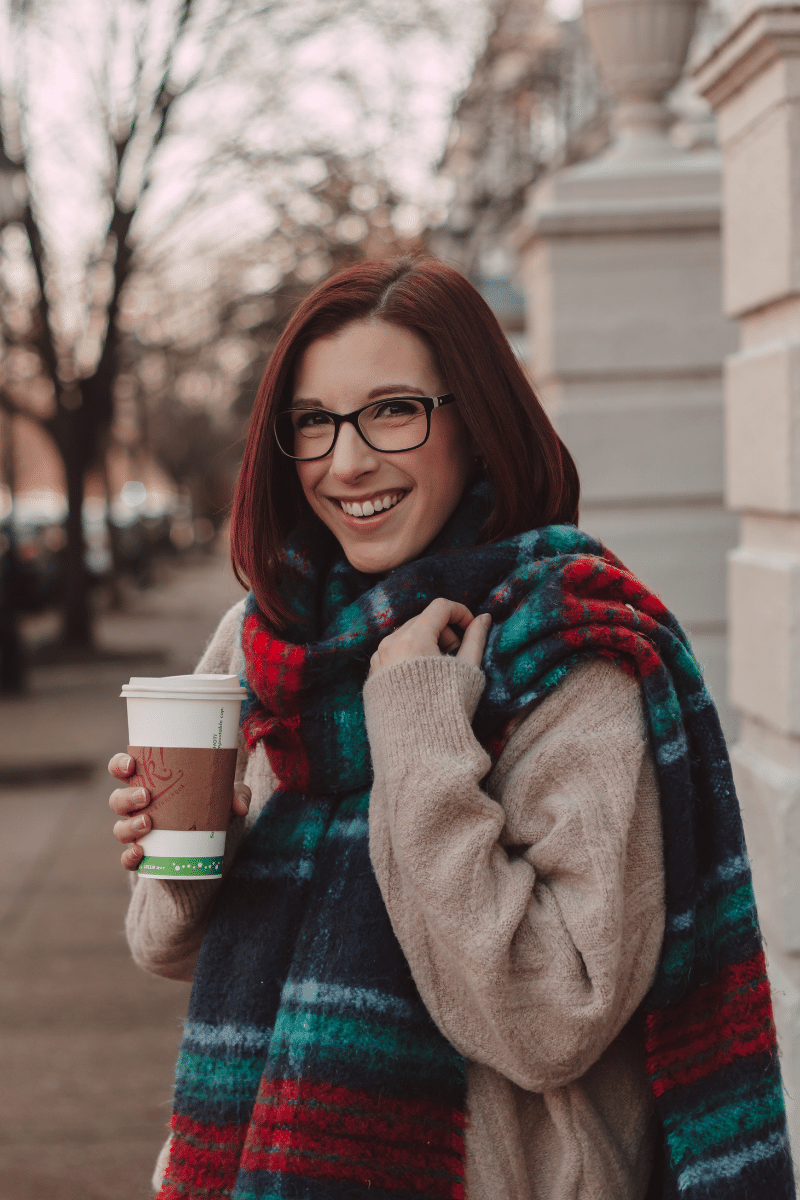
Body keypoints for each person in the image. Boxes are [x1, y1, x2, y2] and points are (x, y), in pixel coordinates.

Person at [108, 257, 795, 1200]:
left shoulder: (568, 654)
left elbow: (553, 1019)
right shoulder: (268, 637)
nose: (347, 461)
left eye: (394, 410)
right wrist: (199, 850)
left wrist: (419, 723)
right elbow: (166, 949)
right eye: (314, 421)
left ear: (475, 420)